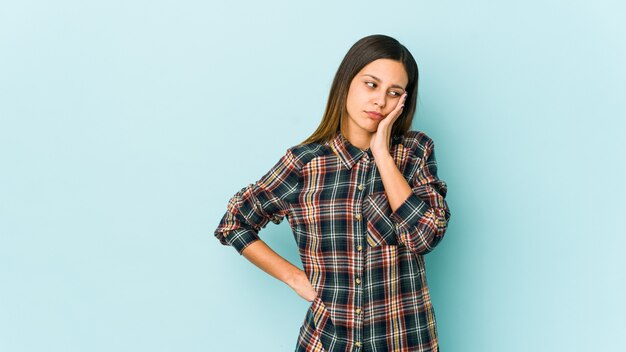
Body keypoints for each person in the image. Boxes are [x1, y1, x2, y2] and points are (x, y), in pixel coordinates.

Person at [214, 34, 451, 352]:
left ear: (403, 102)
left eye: (394, 93)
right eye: (371, 84)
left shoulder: (415, 152)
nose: (380, 101)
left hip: (405, 342)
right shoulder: (305, 163)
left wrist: (382, 154)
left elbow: (424, 236)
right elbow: (234, 222)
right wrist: (294, 278)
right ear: (347, 82)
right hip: (328, 342)